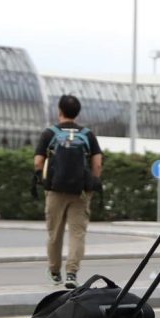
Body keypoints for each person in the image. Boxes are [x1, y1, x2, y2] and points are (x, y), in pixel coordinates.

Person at [34, 94, 103, 289]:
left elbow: (38, 161)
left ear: (60, 111)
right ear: (77, 113)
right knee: (77, 233)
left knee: (54, 233)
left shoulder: (50, 133)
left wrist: (42, 178)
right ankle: (72, 273)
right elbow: (97, 162)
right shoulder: (87, 135)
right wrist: (93, 182)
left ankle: (55, 272)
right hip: (80, 192)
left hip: (55, 190)